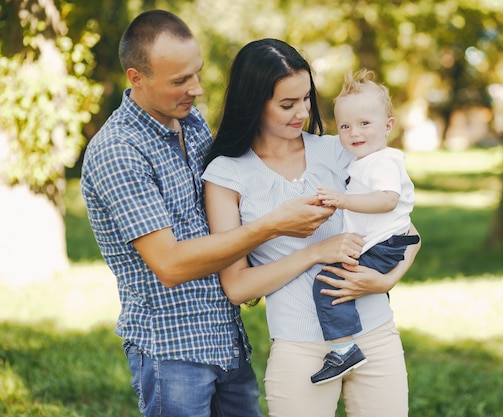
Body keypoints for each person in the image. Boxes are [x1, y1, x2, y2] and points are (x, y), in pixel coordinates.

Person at [80, 11, 340, 417]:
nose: (197, 90)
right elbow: (169, 264)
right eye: (180, 81)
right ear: (136, 78)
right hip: (173, 350)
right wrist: (273, 225)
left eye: (196, 74)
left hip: (225, 338)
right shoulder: (119, 151)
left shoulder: (191, 122)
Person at [202, 38, 420, 417]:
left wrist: (386, 281)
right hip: (300, 349)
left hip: (377, 335)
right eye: (287, 104)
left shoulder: (340, 150)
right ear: (254, 103)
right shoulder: (227, 174)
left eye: (306, 98)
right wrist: (315, 252)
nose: (301, 111)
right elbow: (237, 287)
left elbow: (407, 231)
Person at [311, 69, 420, 385]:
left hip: (385, 243)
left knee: (328, 283)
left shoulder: (382, 161)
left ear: (388, 127)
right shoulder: (365, 161)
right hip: (383, 241)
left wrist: (342, 201)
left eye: (364, 124)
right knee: (339, 278)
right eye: (345, 126)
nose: (354, 133)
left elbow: (387, 200)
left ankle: (345, 349)